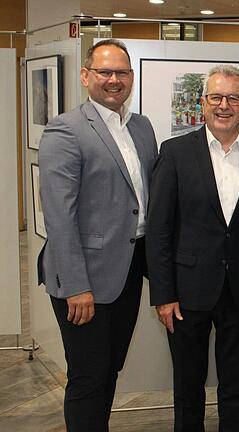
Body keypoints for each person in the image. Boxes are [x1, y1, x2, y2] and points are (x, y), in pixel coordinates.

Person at [146, 65, 239, 432]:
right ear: (202, 104)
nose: (224, 105)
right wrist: (163, 294)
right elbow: (159, 230)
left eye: (233, 97)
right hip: (187, 293)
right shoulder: (174, 152)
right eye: (216, 97)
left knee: (235, 387)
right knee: (188, 388)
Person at [37, 39, 157, 431]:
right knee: (88, 377)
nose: (113, 80)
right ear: (86, 76)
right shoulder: (65, 130)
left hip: (127, 270)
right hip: (84, 279)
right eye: (104, 72)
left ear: (132, 78)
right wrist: (76, 286)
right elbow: (59, 216)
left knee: (109, 370)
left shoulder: (141, 127)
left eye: (121, 72)